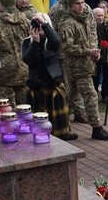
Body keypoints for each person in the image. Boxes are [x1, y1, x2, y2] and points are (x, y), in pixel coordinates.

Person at [59, 0, 108, 141]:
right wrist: (87, 52)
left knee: (71, 97)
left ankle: (60, 127)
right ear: (70, 5)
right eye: (77, 3)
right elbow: (67, 47)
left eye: (82, 2)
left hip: (86, 64)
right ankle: (97, 128)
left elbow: (91, 37)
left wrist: (95, 52)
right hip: (76, 67)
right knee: (91, 96)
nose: (81, 6)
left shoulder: (84, 19)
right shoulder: (68, 22)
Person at [21, 12, 76, 141]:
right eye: (36, 24)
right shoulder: (27, 42)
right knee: (39, 113)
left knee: (58, 113)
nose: (39, 27)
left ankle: (62, 134)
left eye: (41, 24)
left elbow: (56, 42)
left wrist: (43, 22)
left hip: (53, 82)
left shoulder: (51, 41)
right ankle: (40, 134)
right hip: (36, 84)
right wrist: (35, 42)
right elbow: (27, 59)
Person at [0, 0, 30, 106]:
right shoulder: (26, 21)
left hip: (3, 72)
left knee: (6, 110)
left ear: (1, 3)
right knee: (24, 108)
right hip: (24, 68)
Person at [92, 7, 108, 103]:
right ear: (94, 16)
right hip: (95, 53)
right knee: (95, 74)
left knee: (107, 74)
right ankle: (94, 93)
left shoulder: (107, 25)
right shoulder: (91, 26)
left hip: (106, 54)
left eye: (102, 15)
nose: (100, 18)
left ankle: (105, 94)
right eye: (98, 16)